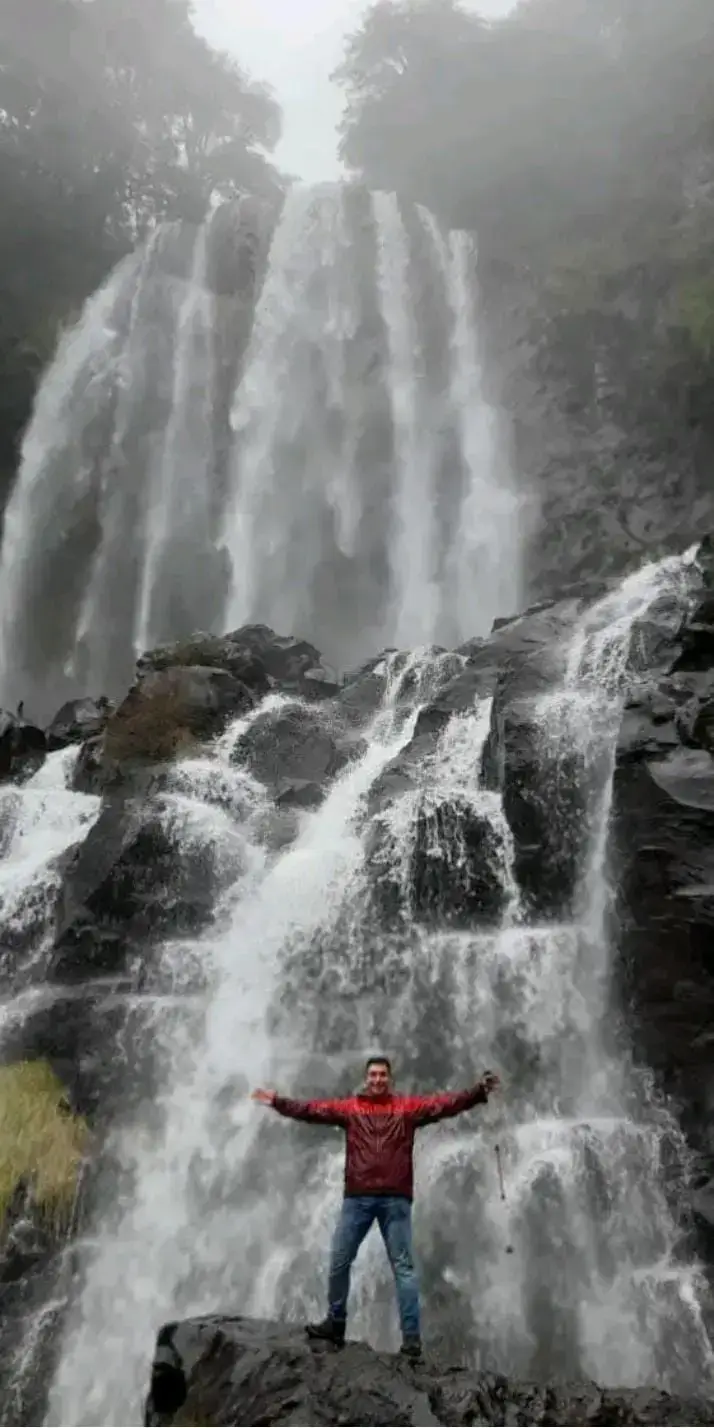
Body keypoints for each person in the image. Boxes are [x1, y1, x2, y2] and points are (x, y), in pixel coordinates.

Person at [252, 1055, 500, 1360]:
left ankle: (411, 1340)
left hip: (395, 1199)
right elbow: (311, 1110)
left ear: (389, 1079)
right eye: (373, 1075)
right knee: (340, 1261)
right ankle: (335, 1323)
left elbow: (445, 1104)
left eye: (383, 1075)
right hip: (357, 1197)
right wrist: (277, 1101)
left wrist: (477, 1092)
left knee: (404, 1269)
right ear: (366, 1078)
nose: (378, 1079)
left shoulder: (407, 1108)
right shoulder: (350, 1109)